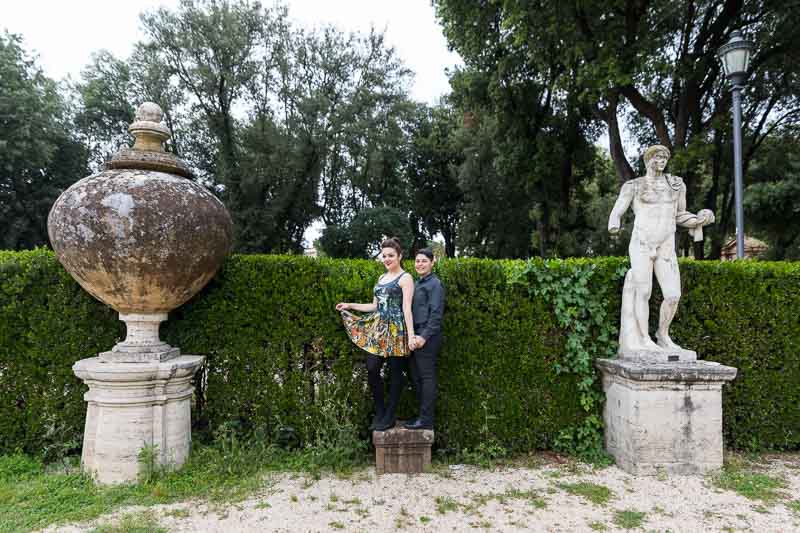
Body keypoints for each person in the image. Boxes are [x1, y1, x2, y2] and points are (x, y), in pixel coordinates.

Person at [608, 144, 714, 355]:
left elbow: (679, 215)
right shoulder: (634, 186)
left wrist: (698, 219)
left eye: (665, 157)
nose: (662, 160)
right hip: (642, 243)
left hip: (666, 244)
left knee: (673, 295)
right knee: (644, 291)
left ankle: (663, 335)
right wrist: (614, 223)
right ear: (648, 160)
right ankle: (644, 339)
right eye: (658, 157)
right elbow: (617, 210)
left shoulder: (676, 185)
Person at [336, 238, 416, 431]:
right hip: (378, 329)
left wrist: (411, 335)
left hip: (397, 330)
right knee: (372, 368)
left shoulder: (406, 278)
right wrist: (350, 305)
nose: (387, 259)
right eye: (384, 256)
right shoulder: (381, 278)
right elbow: (374, 306)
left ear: (399, 256)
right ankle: (380, 411)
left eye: (391, 256)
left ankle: (389, 415)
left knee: (396, 373)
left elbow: (407, 308)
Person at [404, 248, 445, 431]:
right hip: (415, 335)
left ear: (432, 262)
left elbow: (436, 316)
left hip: (427, 337)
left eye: (424, 261)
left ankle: (426, 419)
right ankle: (421, 415)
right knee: (415, 377)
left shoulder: (435, 284)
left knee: (427, 377)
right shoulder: (418, 283)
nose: (419, 264)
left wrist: (423, 337)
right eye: (417, 261)